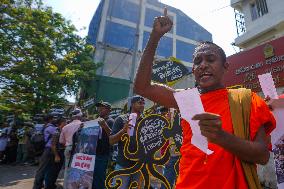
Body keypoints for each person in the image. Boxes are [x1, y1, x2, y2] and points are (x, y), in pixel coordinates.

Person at [133, 8, 276, 189]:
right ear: (193, 70)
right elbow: (142, 87)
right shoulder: (187, 99)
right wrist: (155, 37)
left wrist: (221, 137)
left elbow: (262, 155)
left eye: (210, 59)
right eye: (198, 61)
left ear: (225, 66)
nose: (203, 65)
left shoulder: (246, 100)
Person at [109, 95, 145, 189]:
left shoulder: (145, 121)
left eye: (143, 103)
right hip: (123, 164)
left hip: (140, 165)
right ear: (132, 104)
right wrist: (123, 130)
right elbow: (111, 141)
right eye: (139, 103)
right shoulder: (121, 119)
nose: (142, 105)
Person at [92, 101, 114, 189]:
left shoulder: (110, 121)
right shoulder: (95, 121)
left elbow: (113, 137)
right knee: (93, 176)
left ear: (109, 110)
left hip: (103, 154)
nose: (100, 109)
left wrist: (105, 126)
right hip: (93, 153)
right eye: (99, 107)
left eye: (103, 107)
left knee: (100, 177)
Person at [33, 113, 58, 189]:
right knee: (43, 169)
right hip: (49, 150)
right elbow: (57, 136)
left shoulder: (43, 126)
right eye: (53, 118)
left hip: (44, 149)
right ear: (50, 119)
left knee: (45, 168)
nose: (55, 119)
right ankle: (37, 186)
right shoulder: (52, 128)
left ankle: (43, 184)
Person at [59, 108, 83, 189]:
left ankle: (66, 187)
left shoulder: (65, 127)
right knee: (79, 169)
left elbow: (61, 141)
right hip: (80, 150)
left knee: (67, 169)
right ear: (80, 116)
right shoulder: (84, 125)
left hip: (68, 148)